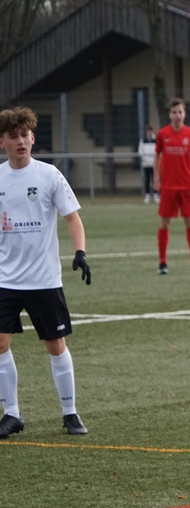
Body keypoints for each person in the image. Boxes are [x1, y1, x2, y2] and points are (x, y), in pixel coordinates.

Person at [0, 106, 91, 439]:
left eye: (25, 135)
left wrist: (80, 252)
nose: (20, 141)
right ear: (2, 142)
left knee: (55, 345)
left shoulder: (49, 175)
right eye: (13, 136)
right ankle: (12, 414)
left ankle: (70, 413)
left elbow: (72, 217)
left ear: (33, 138)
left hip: (43, 279)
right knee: (0, 343)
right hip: (5, 279)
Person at [154, 97, 190, 274]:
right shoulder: (162, 134)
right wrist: (156, 179)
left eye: (180, 112)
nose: (177, 115)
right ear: (169, 114)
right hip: (168, 187)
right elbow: (157, 156)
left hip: (186, 187)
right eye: (174, 112)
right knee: (164, 223)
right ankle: (162, 263)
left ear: (185, 114)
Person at [138, 124, 157, 204]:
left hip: (155, 164)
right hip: (146, 164)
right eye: (148, 131)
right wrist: (145, 159)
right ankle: (147, 195)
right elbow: (140, 152)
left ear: (153, 131)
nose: (150, 133)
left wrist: (156, 160)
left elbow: (159, 151)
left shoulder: (156, 140)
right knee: (147, 180)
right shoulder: (143, 140)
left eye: (151, 131)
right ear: (146, 132)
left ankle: (156, 195)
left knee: (155, 179)